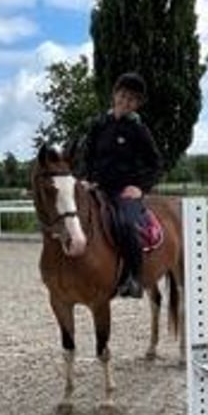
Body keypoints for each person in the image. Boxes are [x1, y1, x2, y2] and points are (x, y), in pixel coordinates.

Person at [78, 72, 163, 298]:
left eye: (132, 99)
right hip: (96, 187)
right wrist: (86, 178)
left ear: (137, 104)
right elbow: (88, 156)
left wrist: (140, 188)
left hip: (124, 191)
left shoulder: (138, 130)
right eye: (123, 96)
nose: (126, 102)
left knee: (125, 223)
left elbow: (155, 164)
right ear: (115, 95)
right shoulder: (98, 125)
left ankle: (133, 278)